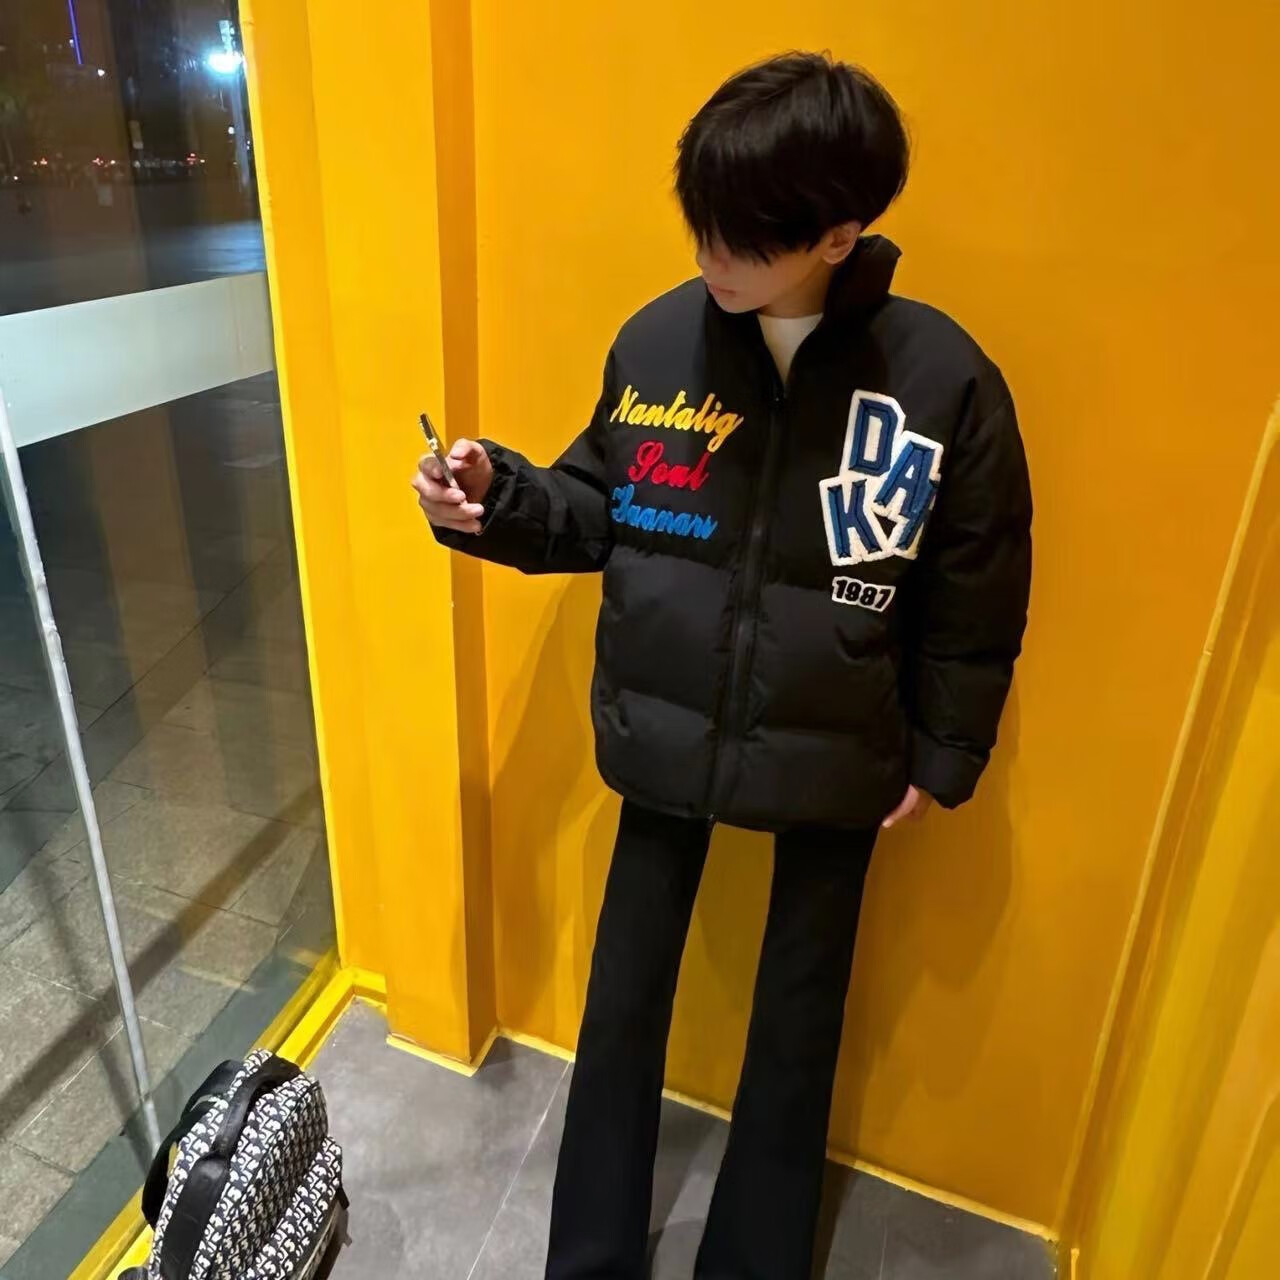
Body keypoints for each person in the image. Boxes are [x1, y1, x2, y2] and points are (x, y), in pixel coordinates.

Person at [415, 51, 1032, 1280]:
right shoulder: (657, 343)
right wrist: (495, 496)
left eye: (743, 240)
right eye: (700, 225)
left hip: (839, 741)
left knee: (798, 1020)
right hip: (664, 722)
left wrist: (944, 749)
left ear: (838, 235)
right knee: (620, 1004)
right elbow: (598, 505)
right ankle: (588, 1256)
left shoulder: (939, 377)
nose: (711, 259)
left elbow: (977, 582)